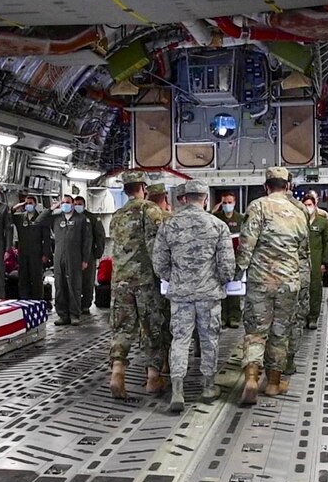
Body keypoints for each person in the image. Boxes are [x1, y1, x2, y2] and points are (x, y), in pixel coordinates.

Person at [153, 179, 234, 411]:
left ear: (184, 198)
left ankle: (177, 390)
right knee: (209, 340)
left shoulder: (169, 225)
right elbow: (227, 267)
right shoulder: (218, 226)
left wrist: (176, 278)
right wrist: (219, 281)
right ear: (205, 199)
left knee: (180, 340)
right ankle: (208, 387)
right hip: (209, 296)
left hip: (180, 295)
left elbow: (159, 263)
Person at [234, 167, 310, 404]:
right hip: (289, 282)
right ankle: (274, 384)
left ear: (266, 186)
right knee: (281, 333)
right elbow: (303, 250)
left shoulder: (258, 206)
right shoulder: (299, 212)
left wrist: (238, 273)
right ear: (287, 187)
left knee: (256, 332)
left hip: (261, 281)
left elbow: (246, 245)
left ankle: (252, 378)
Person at [108, 171, 168, 399]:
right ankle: (153, 377)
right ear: (143, 186)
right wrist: (165, 274)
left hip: (120, 281)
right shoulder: (150, 210)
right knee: (152, 327)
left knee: (122, 328)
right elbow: (156, 247)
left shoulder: (117, 214)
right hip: (145, 282)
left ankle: (117, 371)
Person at [37, 194, 91, 325]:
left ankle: (74, 315)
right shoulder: (56, 218)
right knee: (60, 286)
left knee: (74, 286)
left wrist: (85, 259)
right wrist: (51, 208)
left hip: (75, 256)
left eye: (67, 202)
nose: (65, 205)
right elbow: (39, 221)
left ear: (73, 204)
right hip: (59, 255)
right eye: (63, 203)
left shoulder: (82, 219)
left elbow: (87, 240)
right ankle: (63, 315)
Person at [212, 192, 246, 328]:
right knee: (221, 288)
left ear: (235, 202)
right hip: (219, 258)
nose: (227, 205)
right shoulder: (216, 218)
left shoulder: (240, 219)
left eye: (229, 202)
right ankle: (222, 316)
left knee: (234, 288)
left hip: (235, 257)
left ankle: (234, 316)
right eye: (224, 203)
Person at [301, 191, 328, 330]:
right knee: (301, 290)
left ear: (315, 205)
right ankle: (302, 317)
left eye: (310, 204)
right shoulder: (299, 221)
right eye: (305, 205)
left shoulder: (322, 221)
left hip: (316, 261)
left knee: (315, 289)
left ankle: (313, 317)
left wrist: (325, 262)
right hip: (301, 261)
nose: (308, 207)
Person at [12, 194, 50, 300]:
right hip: (23, 253)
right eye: (26, 203)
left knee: (36, 278)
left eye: (30, 203)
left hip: (36, 253)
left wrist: (46, 254)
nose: (28, 205)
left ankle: (38, 300)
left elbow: (46, 238)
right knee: (23, 278)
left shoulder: (41, 218)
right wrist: (18, 206)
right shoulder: (20, 218)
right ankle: (25, 300)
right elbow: (8, 214)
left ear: (35, 204)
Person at [74, 195, 105, 315]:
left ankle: (86, 304)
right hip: (74, 254)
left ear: (84, 205)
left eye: (79, 204)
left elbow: (99, 236)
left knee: (88, 280)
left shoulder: (91, 218)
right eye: (75, 204)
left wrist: (98, 253)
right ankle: (75, 303)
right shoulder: (71, 217)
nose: (77, 206)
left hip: (89, 254)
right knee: (74, 281)